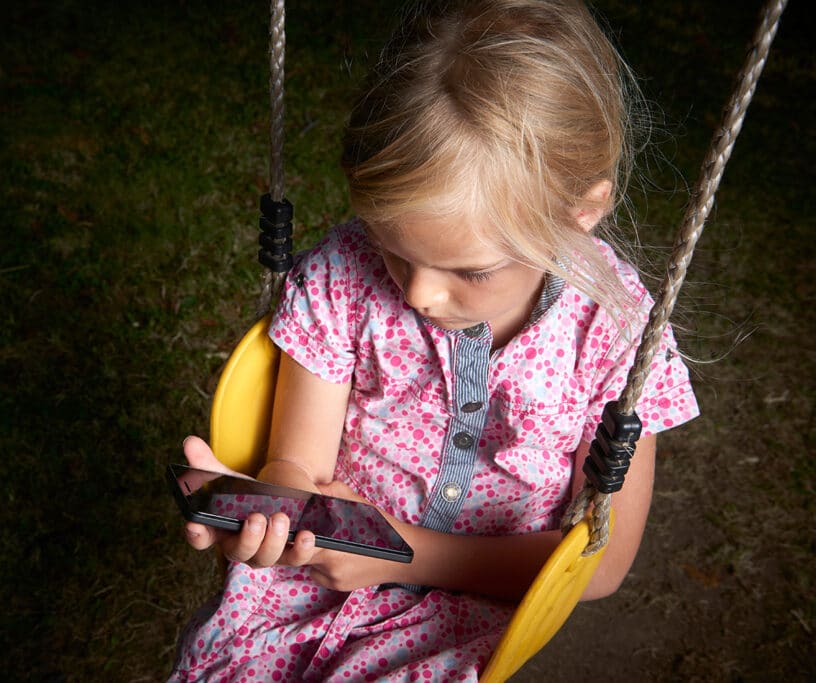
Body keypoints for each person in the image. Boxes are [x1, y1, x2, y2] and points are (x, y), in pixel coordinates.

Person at [171, 0, 699, 679]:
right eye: (393, 251)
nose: (418, 293)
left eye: (470, 270)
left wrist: (401, 552)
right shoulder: (344, 276)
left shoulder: (615, 335)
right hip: (321, 576)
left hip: (475, 611)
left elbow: (600, 564)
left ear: (579, 215)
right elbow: (294, 468)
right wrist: (273, 519)